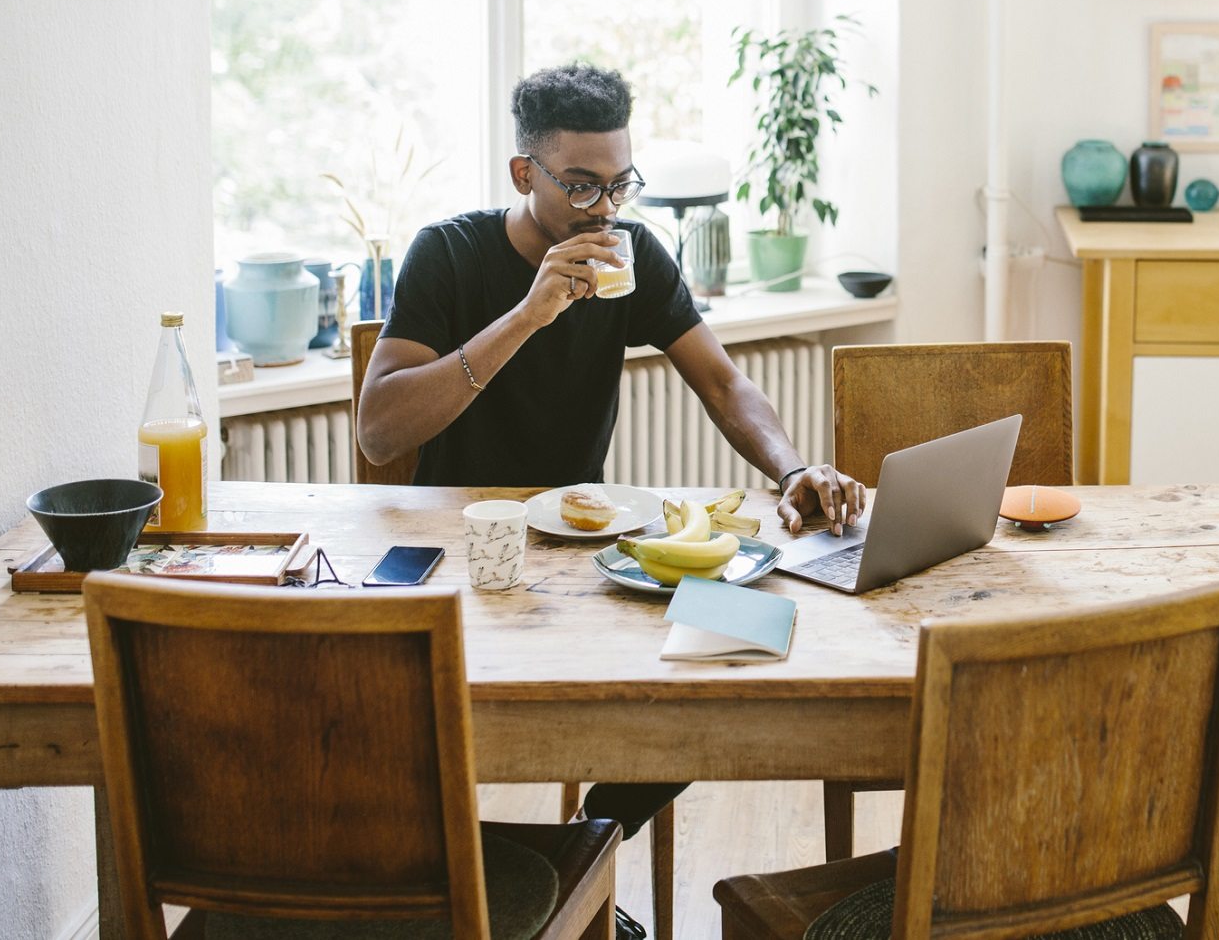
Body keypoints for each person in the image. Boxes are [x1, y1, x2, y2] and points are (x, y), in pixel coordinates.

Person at [356, 62, 866, 840]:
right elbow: (379, 429)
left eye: (621, 185)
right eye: (582, 186)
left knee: (746, 637)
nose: (605, 208)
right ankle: (540, 878)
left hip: (587, 551)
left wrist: (793, 468)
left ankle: (589, 840)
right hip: (471, 557)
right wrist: (528, 314)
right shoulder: (449, 254)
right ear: (526, 173)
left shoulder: (636, 252)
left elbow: (725, 385)